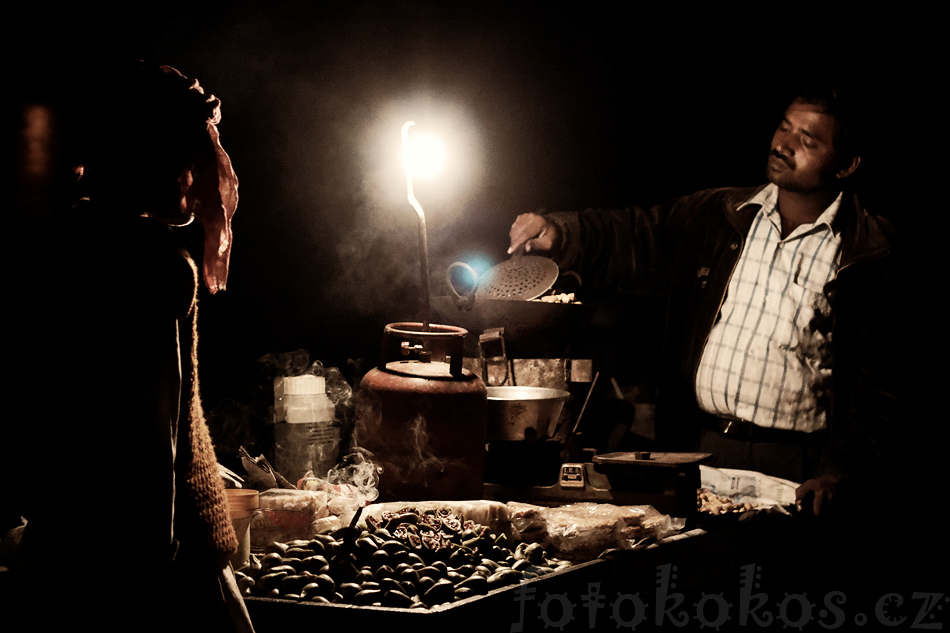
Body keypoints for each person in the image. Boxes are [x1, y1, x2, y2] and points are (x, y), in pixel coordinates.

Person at [507, 86, 905, 520]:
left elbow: (882, 386)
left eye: (807, 141)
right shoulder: (720, 215)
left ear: (846, 164)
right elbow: (638, 234)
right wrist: (561, 233)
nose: (783, 144)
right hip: (700, 448)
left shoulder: (870, 254)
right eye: (783, 128)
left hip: (799, 465)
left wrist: (840, 472)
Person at [2, 62, 252, 632]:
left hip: (65, 544)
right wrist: (167, 567)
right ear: (160, 159)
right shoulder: (154, 266)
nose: (201, 172)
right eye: (191, 151)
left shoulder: (66, 241)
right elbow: (149, 441)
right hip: (137, 569)